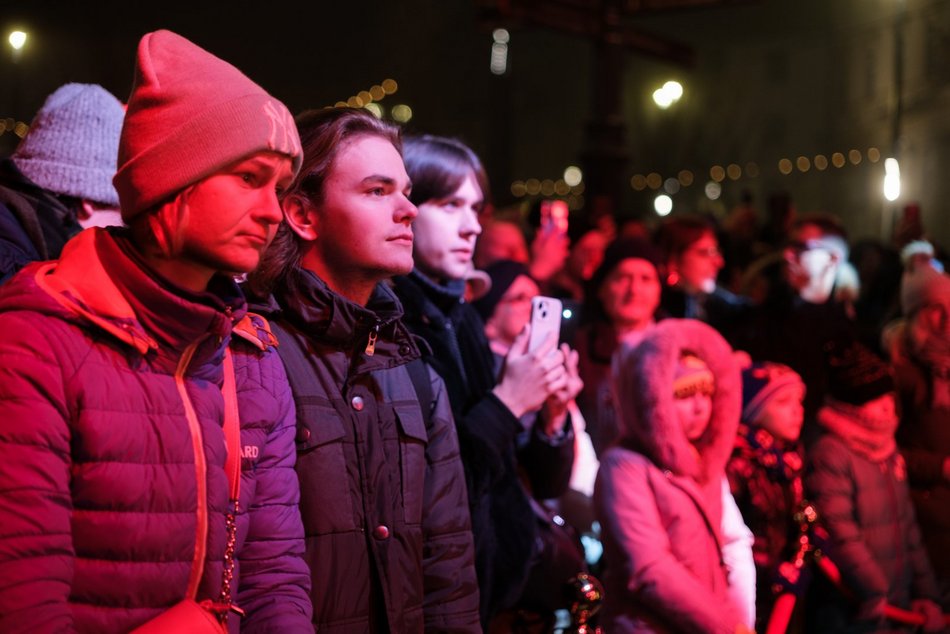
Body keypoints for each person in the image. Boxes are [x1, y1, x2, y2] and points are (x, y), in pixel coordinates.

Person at [0, 30, 311, 632]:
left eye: (281, 187)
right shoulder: (36, 340)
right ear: (172, 178)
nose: (274, 211)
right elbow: (23, 597)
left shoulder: (251, 353)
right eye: (250, 178)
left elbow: (275, 573)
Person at [248, 108, 480, 632]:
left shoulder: (415, 374)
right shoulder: (251, 353)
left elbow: (449, 575)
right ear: (303, 215)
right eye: (377, 191)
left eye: (406, 190)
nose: (409, 211)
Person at [391, 134, 580, 628]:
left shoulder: (461, 316)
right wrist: (508, 401)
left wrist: (550, 416)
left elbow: (536, 481)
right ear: (403, 205)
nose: (472, 225)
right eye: (450, 204)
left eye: (476, 208)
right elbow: (436, 492)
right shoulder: (393, 323)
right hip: (438, 601)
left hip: (498, 590)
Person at [594, 318, 755, 633]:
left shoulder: (702, 462)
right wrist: (724, 625)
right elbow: (648, 568)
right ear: (653, 399)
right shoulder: (624, 466)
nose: (700, 407)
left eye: (706, 393)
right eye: (684, 395)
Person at [804, 339, 943, 633]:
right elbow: (840, 531)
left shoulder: (887, 449)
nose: (886, 409)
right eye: (874, 400)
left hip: (898, 604)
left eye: (888, 398)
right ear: (852, 405)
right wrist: (875, 591)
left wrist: (927, 595)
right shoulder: (832, 453)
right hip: (856, 609)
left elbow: (908, 528)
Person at [0, 82, 125, 283]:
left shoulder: (20, 245)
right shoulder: (17, 279)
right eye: (120, 214)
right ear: (89, 203)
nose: (122, 233)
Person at [886, 265, 950, 608]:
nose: (946, 318)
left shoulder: (946, 368)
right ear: (917, 313)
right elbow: (885, 450)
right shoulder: (901, 372)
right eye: (935, 308)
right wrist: (940, 467)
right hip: (924, 522)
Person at [727, 361, 809, 631]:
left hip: (789, 588)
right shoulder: (739, 463)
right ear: (755, 409)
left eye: (799, 400)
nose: (797, 410)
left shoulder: (790, 458)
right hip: (753, 595)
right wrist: (770, 572)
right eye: (783, 402)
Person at [575, 237, 663, 457]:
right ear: (602, 288)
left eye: (646, 279)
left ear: (659, 291)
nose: (634, 290)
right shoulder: (581, 348)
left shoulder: (678, 344)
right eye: (623, 278)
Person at [655, 214, 750, 338]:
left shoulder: (717, 303)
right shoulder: (658, 312)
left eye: (716, 252)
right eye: (704, 253)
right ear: (673, 260)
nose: (719, 262)